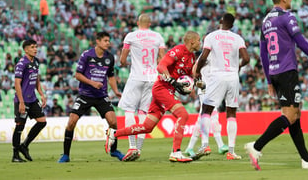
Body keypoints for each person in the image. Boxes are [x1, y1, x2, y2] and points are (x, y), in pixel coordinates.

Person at [244, 0, 308, 170]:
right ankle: (256, 146)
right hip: (287, 71)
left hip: (276, 72)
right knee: (290, 115)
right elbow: (301, 42)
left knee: (295, 115)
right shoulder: (287, 16)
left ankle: (307, 160)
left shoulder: (266, 21)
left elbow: (263, 53)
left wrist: (269, 79)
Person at [105, 31, 201, 162]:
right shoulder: (178, 51)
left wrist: (196, 83)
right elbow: (161, 66)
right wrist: (172, 80)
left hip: (168, 91)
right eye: (199, 40)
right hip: (162, 88)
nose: (200, 43)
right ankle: (176, 152)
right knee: (183, 115)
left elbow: (188, 76)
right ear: (192, 42)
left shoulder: (191, 57)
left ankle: (114, 134)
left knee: (147, 127)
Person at [58, 32, 123, 163]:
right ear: (97, 41)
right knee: (71, 122)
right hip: (85, 95)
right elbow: (77, 75)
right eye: (105, 40)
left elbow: (110, 76)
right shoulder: (87, 55)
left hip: (101, 96)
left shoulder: (109, 57)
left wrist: (115, 91)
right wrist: (92, 83)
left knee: (113, 122)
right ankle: (65, 155)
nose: (108, 43)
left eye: (108, 40)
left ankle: (114, 150)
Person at [193, 13, 250, 161]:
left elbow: (204, 56)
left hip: (217, 76)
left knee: (206, 110)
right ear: (232, 25)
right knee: (231, 113)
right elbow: (247, 58)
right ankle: (231, 151)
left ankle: (205, 144)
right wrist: (237, 67)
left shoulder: (211, 36)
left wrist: (198, 71)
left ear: (220, 21)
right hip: (233, 77)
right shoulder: (238, 38)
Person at [117, 14, 166, 161]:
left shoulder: (131, 36)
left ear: (138, 23)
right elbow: (162, 60)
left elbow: (122, 60)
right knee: (144, 113)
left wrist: (130, 64)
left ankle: (131, 146)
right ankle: (138, 149)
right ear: (150, 23)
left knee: (129, 110)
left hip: (136, 77)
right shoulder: (158, 37)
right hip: (152, 79)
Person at [184, 56, 229, 158]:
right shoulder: (207, 55)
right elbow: (195, 67)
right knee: (213, 115)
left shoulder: (217, 55)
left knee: (202, 118)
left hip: (213, 90)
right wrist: (196, 80)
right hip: (205, 90)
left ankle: (190, 147)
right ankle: (217, 144)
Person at [12, 39, 47, 163]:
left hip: (32, 99)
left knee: (42, 122)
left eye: (36, 47)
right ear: (26, 49)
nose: (35, 49)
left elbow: (36, 79)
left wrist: (42, 94)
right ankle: (15, 155)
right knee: (20, 126)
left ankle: (24, 145)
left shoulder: (36, 62)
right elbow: (17, 83)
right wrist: (21, 102)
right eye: (32, 47)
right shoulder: (21, 63)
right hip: (22, 100)